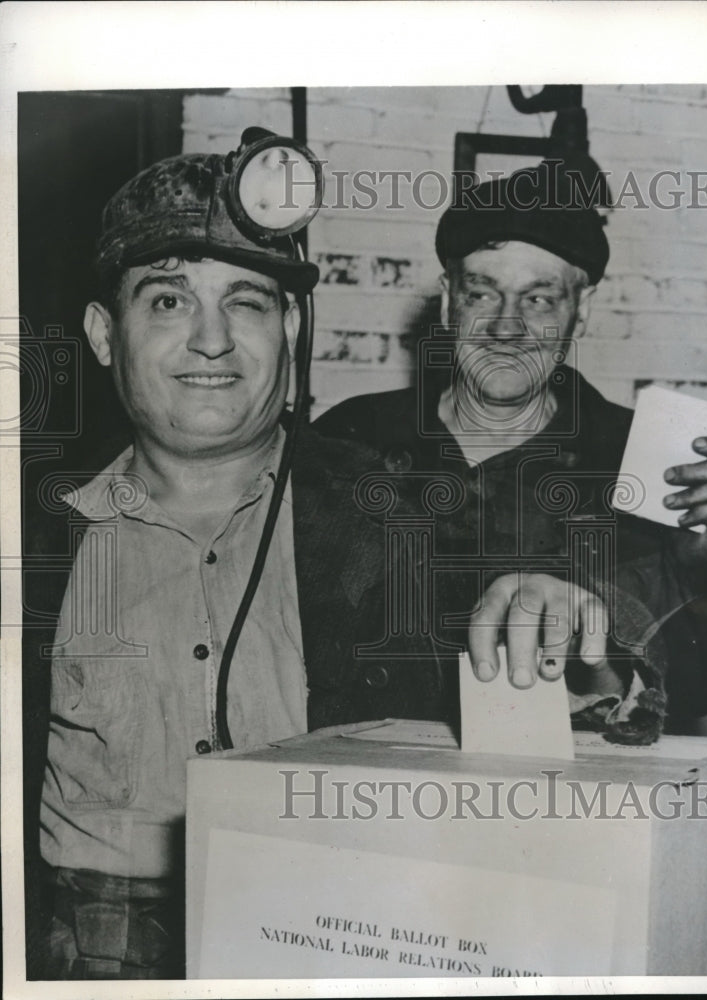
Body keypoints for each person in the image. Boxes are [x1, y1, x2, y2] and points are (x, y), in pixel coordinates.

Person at [22, 136, 459, 980]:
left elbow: (616, 635)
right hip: (89, 947)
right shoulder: (28, 534)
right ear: (103, 334)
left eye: (248, 303)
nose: (212, 340)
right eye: (167, 301)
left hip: (340, 929)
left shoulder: (402, 515)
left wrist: (583, 596)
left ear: (290, 327)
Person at [315, 159, 707, 738]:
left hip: (567, 802)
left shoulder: (645, 457)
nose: (507, 327)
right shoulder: (349, 437)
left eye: (538, 300)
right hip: (360, 794)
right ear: (447, 301)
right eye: (482, 294)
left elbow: (698, 689)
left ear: (580, 312)